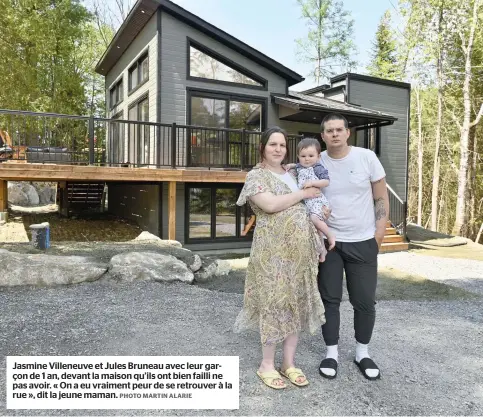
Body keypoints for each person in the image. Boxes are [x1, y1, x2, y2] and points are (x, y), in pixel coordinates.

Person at [234, 126, 326, 390]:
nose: (278, 149)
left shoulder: (293, 172)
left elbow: (310, 207)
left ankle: (289, 362)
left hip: (301, 253)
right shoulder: (256, 176)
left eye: (283, 145)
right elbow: (271, 205)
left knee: (295, 303)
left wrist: (319, 238)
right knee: (274, 302)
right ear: (263, 146)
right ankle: (267, 365)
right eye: (273, 144)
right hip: (272, 253)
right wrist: (303, 194)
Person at [316, 113, 389, 381]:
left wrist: (378, 236)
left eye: (339, 129)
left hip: (363, 241)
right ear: (322, 136)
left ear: (348, 133)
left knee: (364, 301)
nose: (334, 134)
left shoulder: (366, 157)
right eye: (329, 131)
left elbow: (381, 197)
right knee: (329, 300)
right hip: (330, 244)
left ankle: (362, 353)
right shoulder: (317, 161)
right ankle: (331, 353)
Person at [291, 137, 336, 262]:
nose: (307, 159)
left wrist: (312, 182)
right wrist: (290, 165)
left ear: (318, 156)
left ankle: (330, 234)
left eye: (311, 155)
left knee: (314, 219)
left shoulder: (317, 167)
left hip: (317, 200)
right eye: (303, 155)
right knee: (316, 229)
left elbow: (326, 181)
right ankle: (323, 250)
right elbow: (295, 166)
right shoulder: (299, 167)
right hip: (307, 203)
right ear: (298, 156)